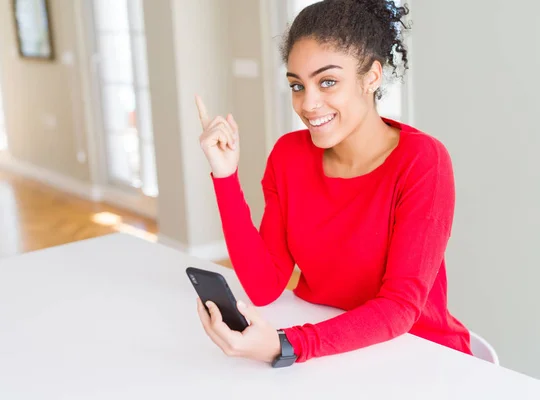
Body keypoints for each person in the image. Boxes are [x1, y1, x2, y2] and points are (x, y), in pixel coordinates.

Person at [194, 0, 473, 367]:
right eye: (297, 85)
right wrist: (225, 175)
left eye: (328, 82)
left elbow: (400, 307)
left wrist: (287, 345)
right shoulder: (289, 156)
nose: (308, 104)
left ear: (371, 77)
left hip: (421, 356)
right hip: (332, 350)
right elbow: (264, 286)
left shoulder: (422, 162)